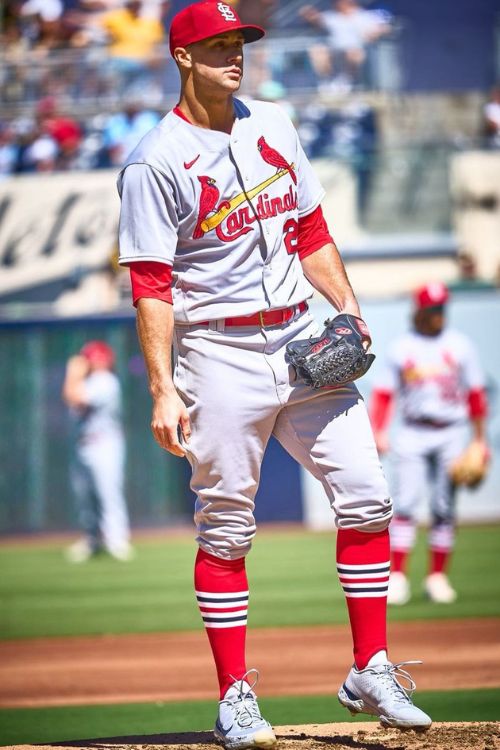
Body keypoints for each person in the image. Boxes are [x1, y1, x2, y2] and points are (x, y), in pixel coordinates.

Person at [117, 2, 431, 746]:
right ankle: (235, 695)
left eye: (240, 42)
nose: (235, 54)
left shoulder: (275, 125)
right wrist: (163, 387)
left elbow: (310, 229)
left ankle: (371, 667)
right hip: (216, 354)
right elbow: (151, 285)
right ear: (183, 57)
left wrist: (348, 309)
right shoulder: (155, 158)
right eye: (217, 44)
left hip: (298, 334)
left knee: (367, 496)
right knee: (226, 527)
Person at [369, 282, 489, 606]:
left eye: (442, 309)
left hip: (453, 431)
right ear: (419, 311)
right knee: (405, 504)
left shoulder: (460, 346)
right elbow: (383, 394)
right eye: (433, 310)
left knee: (444, 507)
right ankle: (399, 577)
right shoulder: (402, 348)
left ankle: (437, 577)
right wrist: (378, 431)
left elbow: (476, 395)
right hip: (412, 430)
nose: (439, 315)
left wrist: (480, 441)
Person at [62, 340, 134, 563]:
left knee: (108, 492)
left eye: (90, 358)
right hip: (84, 444)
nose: (87, 362)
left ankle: (117, 540)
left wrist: (73, 373)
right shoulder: (89, 381)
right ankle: (91, 539)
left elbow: (75, 396)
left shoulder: (105, 381)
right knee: (84, 496)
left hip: (104, 443)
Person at [300, 0, 391, 91]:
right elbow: (317, 21)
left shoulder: (363, 16)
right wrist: (310, 14)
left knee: (353, 53)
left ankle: (345, 82)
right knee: (317, 50)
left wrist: (378, 32)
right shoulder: (331, 16)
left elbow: (382, 30)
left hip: (357, 50)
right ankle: (326, 81)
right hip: (334, 50)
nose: (338, 4)